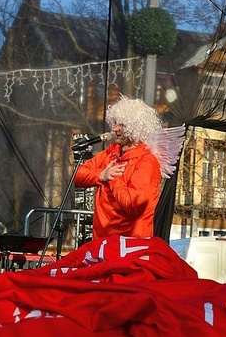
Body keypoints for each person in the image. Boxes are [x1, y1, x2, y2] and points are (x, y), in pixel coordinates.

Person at [74, 95, 182, 239]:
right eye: (115, 123)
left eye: (123, 125)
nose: (115, 129)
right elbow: (78, 175)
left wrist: (113, 178)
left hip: (129, 247)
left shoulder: (147, 162)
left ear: (136, 129)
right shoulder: (110, 152)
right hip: (102, 243)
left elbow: (134, 206)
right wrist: (101, 175)